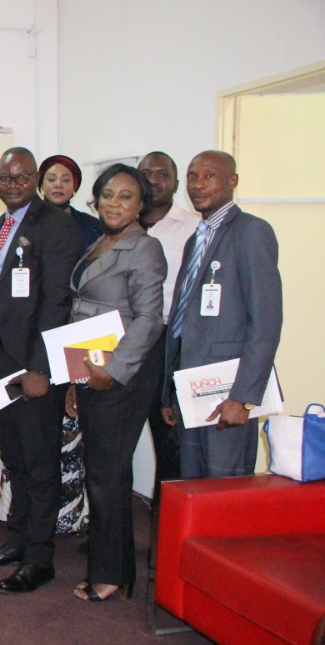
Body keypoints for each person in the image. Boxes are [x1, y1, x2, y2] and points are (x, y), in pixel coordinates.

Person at [0, 147, 79, 594]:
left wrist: (41, 368)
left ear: (34, 178)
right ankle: (16, 540)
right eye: (4, 177)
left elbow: (57, 303)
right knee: (12, 457)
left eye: (20, 177)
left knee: (39, 462)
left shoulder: (56, 225)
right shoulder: (1, 226)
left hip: (30, 364)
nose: (11, 184)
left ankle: (40, 557)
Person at [64, 164, 167, 602]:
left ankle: (109, 574)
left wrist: (114, 369)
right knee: (103, 472)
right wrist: (75, 379)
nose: (114, 203)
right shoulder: (99, 242)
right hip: (90, 364)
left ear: (141, 204)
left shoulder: (145, 248)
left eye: (125, 196)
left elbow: (149, 319)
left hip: (122, 375)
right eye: (107, 194)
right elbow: (83, 313)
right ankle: (118, 566)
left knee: (106, 476)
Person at [162, 151, 282, 478]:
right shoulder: (196, 239)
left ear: (233, 181)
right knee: (194, 482)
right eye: (191, 177)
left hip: (227, 390)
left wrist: (243, 397)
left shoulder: (251, 232)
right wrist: (169, 391)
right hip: (191, 388)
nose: (198, 185)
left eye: (209, 176)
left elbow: (266, 322)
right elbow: (182, 320)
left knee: (225, 487)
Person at [38, 153, 100, 536]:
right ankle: (33, 513)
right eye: (51, 178)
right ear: (40, 185)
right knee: (35, 429)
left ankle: (74, 513)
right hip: (35, 340)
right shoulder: (27, 222)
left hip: (78, 333)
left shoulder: (92, 228)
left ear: (75, 186)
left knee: (76, 421)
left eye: (66, 179)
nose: (58, 184)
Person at [137, 151, 200, 484]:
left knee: (170, 445)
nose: (154, 180)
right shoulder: (121, 224)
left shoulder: (195, 227)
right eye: (146, 173)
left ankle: (166, 532)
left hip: (169, 345)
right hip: (126, 344)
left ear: (175, 182)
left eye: (163, 174)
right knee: (113, 445)